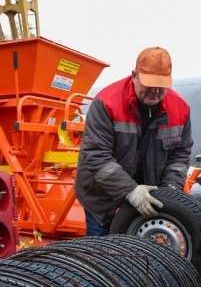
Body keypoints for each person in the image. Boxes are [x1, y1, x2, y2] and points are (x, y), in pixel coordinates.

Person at [75, 46, 193, 236]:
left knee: (138, 255)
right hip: (102, 196)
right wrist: (130, 191)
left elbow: (179, 156)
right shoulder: (107, 104)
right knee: (103, 252)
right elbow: (96, 156)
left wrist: (169, 190)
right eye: (149, 84)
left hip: (148, 194)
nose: (155, 91)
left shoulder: (180, 109)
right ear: (134, 75)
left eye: (161, 85)